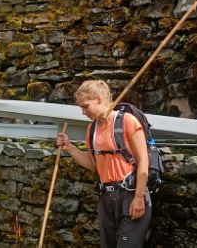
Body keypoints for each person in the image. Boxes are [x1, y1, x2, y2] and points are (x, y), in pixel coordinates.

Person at [55, 80, 152, 248]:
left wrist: (139, 197)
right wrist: (70, 148)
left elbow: (144, 160)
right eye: (81, 108)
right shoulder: (91, 130)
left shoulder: (127, 121)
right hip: (106, 198)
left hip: (131, 193)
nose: (83, 112)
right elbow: (94, 164)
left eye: (85, 106)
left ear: (99, 99)